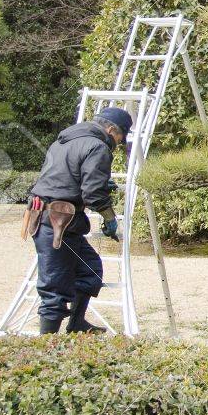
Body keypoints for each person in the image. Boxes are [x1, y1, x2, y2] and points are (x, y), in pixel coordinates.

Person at [25, 107, 132, 334]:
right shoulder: (98, 146)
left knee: (89, 270)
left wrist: (102, 182)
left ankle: (77, 324)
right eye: (121, 136)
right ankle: (46, 346)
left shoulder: (64, 141)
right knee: (54, 287)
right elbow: (92, 194)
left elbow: (65, 176)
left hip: (53, 219)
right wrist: (109, 217)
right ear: (111, 129)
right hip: (57, 222)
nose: (120, 142)